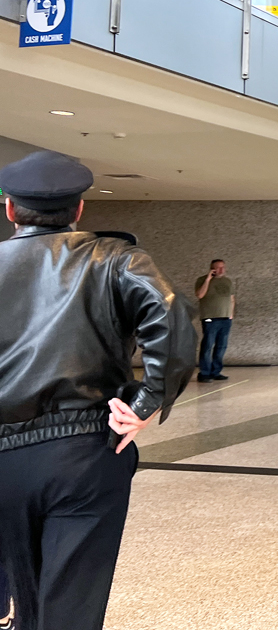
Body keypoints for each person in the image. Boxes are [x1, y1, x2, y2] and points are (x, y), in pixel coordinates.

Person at [0, 150, 195, 630]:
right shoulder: (118, 258)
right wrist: (148, 403)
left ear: (9, 209)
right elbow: (173, 321)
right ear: (79, 210)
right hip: (85, 445)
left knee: (25, 590)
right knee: (73, 595)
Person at [194, 258, 235, 383]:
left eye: (223, 267)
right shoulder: (201, 280)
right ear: (212, 269)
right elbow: (200, 295)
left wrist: (231, 314)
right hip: (210, 318)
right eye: (218, 267)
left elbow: (232, 298)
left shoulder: (228, 281)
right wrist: (208, 279)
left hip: (225, 318)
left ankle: (216, 371)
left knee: (221, 346)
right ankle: (205, 372)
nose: (222, 270)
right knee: (208, 345)